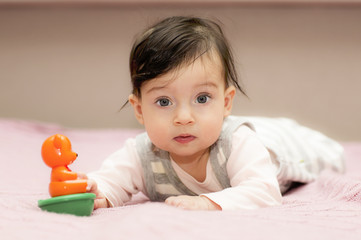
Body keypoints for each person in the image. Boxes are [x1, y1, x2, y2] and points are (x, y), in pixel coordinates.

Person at [85, 16, 345, 211]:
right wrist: (99, 192)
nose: (183, 117)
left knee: (327, 156)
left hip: (281, 147)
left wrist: (209, 203)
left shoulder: (238, 143)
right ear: (140, 110)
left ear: (226, 102)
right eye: (164, 102)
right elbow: (112, 180)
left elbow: (264, 192)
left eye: (201, 98)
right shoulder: (143, 154)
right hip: (240, 131)